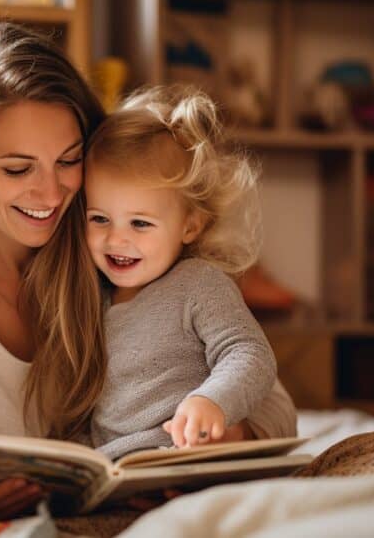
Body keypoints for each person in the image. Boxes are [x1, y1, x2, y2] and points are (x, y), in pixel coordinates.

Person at [0, 22, 298, 523]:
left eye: (69, 160)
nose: (50, 196)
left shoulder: (114, 246)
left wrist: (223, 442)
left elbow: (270, 398)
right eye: (18, 169)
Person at [84, 86, 277, 459]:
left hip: (185, 454)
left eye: (140, 223)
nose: (116, 239)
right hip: (117, 466)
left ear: (190, 226)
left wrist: (212, 400)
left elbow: (250, 353)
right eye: (99, 219)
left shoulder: (198, 284)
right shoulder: (92, 295)